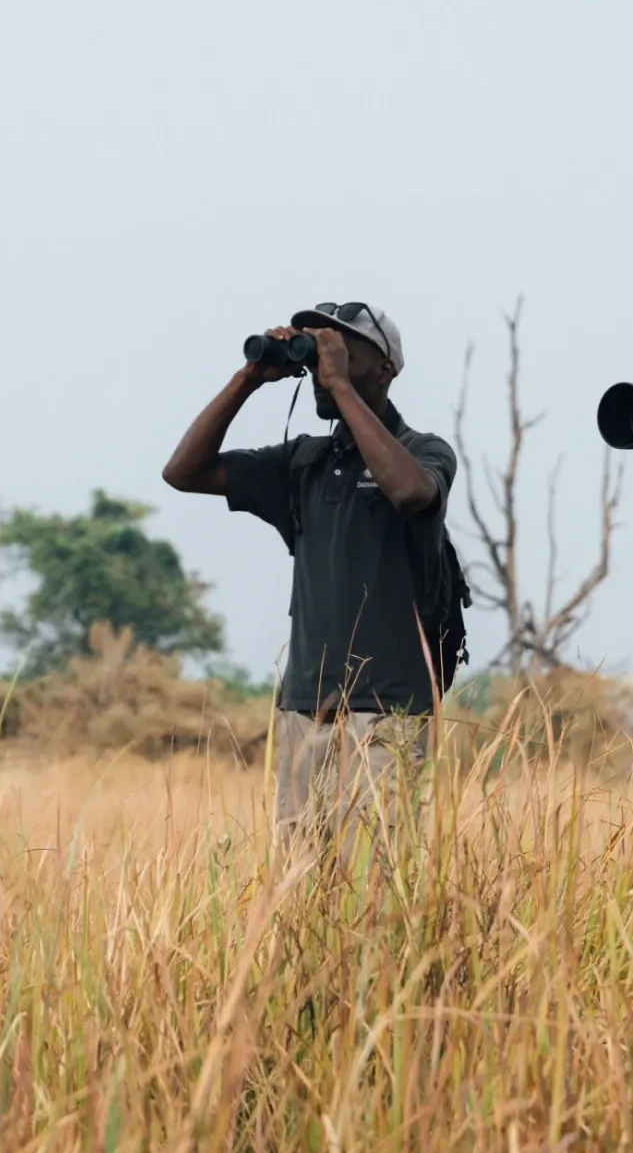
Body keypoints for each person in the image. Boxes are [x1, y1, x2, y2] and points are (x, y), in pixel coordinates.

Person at [162, 301, 459, 843]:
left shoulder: (423, 451)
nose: (326, 362)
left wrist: (340, 386)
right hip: (305, 705)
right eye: (318, 348)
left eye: (342, 349)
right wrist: (249, 378)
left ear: (386, 369)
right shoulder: (304, 462)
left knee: (376, 876)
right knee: (300, 886)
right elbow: (184, 472)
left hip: (387, 709)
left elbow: (411, 492)